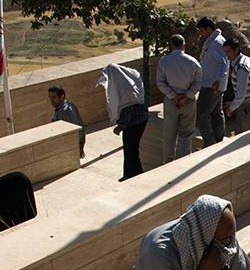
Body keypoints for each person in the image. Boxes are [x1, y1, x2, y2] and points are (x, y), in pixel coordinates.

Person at [98, 63, 149, 182]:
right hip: (141, 118)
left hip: (135, 122)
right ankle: (130, 173)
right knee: (131, 148)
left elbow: (127, 111)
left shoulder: (124, 87)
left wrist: (119, 127)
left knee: (130, 149)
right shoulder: (130, 78)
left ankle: (135, 173)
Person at [157, 34, 202, 164]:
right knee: (186, 134)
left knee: (169, 134)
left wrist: (174, 96)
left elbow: (160, 83)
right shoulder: (193, 62)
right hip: (188, 102)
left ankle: (168, 162)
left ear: (171, 46)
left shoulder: (164, 61)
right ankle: (184, 161)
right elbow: (198, 82)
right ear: (184, 46)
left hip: (172, 102)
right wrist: (186, 96)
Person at [195, 17, 229, 147]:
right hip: (212, 83)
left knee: (202, 114)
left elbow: (223, 63)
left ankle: (209, 142)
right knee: (216, 113)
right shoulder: (213, 41)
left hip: (211, 84)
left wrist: (218, 81)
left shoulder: (216, 43)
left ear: (209, 29)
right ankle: (217, 141)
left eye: (202, 31)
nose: (201, 34)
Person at [223, 39, 250, 135]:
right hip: (246, 103)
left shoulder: (242, 67)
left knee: (245, 137)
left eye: (228, 51)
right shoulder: (242, 61)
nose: (226, 54)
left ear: (236, 50)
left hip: (248, 105)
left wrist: (231, 108)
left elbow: (241, 92)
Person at [48, 85, 85, 158]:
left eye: (54, 97)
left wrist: (80, 147)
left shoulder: (63, 112)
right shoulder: (70, 105)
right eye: (50, 97)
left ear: (61, 97)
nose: (51, 100)